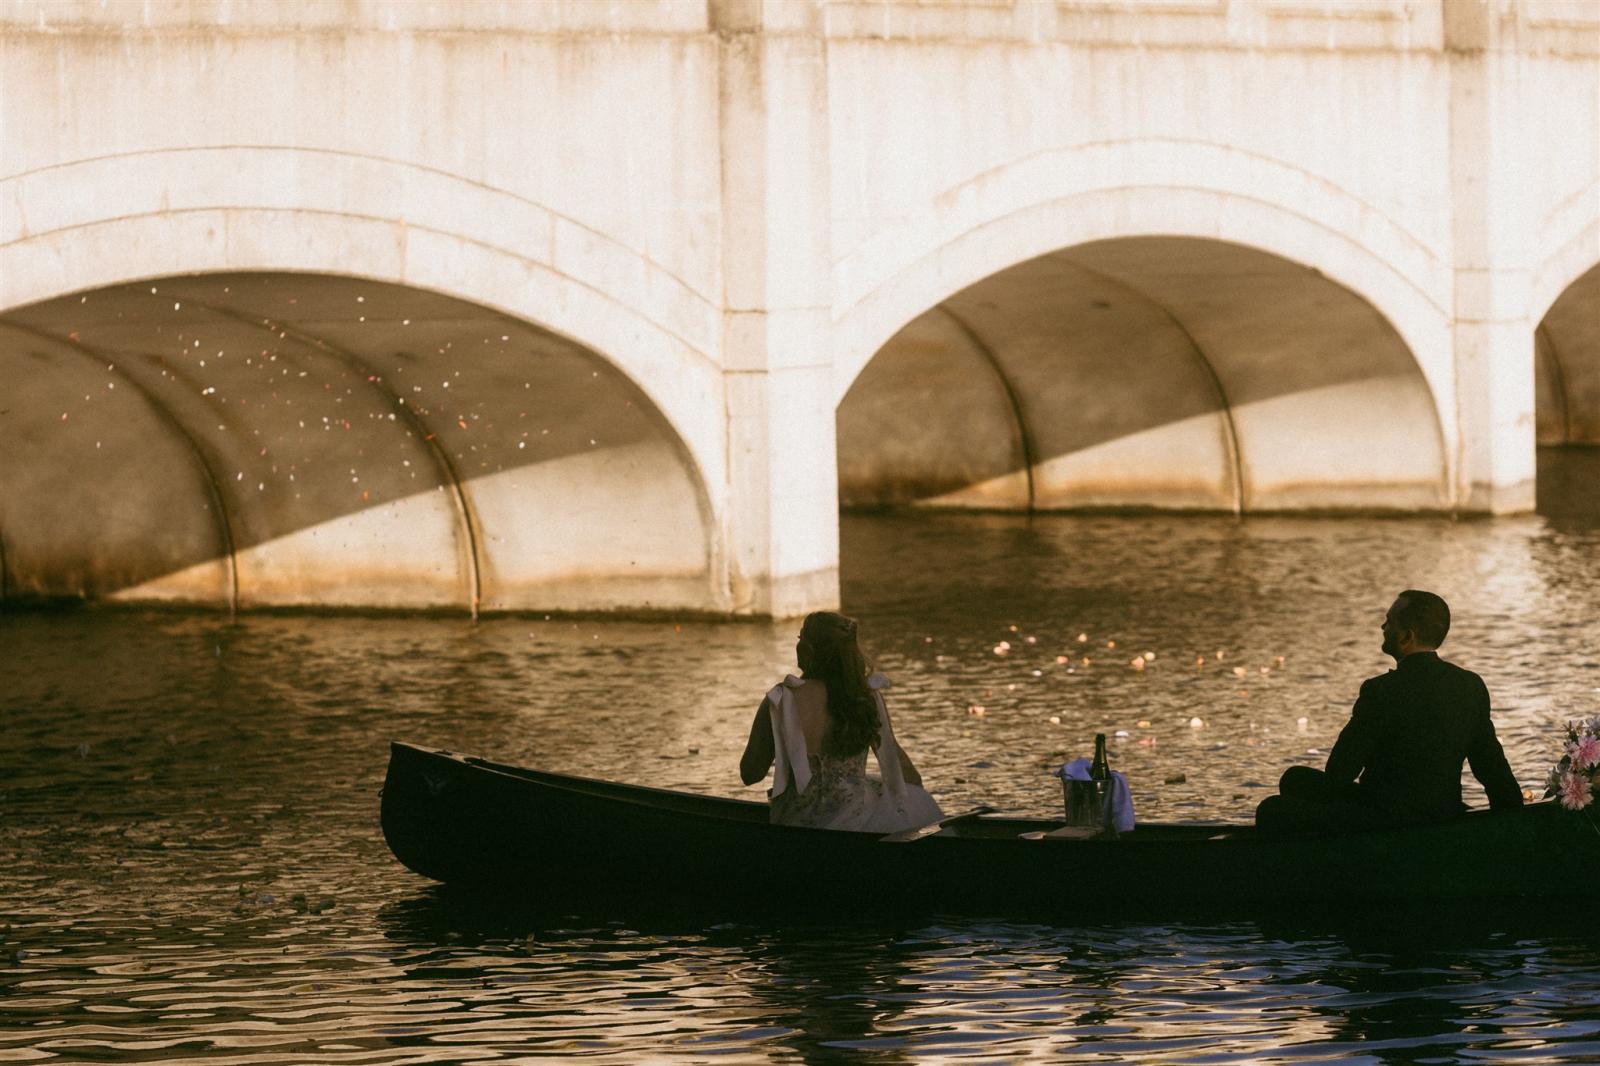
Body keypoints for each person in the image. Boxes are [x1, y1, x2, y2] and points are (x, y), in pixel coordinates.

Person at [1255, 589, 1523, 835]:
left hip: (1386, 820)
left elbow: (1340, 771)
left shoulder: (1380, 691)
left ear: (1407, 637)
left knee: (1271, 809)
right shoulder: (1470, 685)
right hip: (1443, 810)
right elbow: (1491, 766)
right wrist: (1513, 822)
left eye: (1389, 621)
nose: (1383, 627)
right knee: (1296, 779)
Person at [740, 611, 943, 833]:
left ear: (809, 649)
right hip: (859, 822)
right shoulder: (865, 698)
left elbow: (750, 774)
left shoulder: (781, 700)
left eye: (800, 638)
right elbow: (906, 773)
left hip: (798, 823)